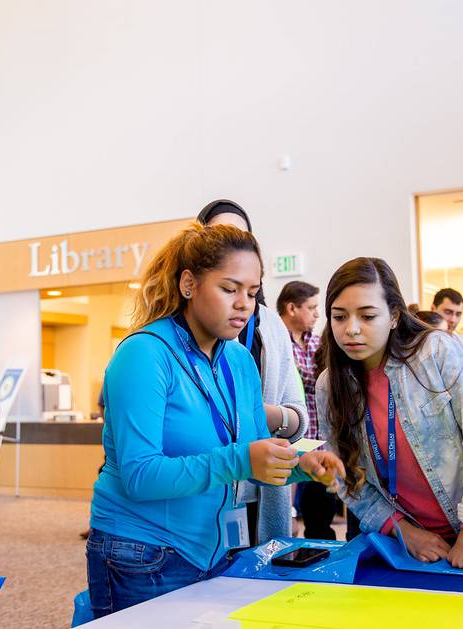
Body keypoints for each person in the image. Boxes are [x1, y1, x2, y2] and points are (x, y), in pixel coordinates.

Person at [87, 223, 343, 617]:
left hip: (212, 549)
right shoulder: (143, 354)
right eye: (229, 289)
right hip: (140, 551)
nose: (244, 304)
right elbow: (140, 476)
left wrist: (301, 465)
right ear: (189, 284)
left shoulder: (239, 360)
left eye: (252, 293)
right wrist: (242, 459)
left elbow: (252, 458)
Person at [317, 257, 463, 568]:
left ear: (393, 316)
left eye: (368, 316)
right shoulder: (330, 386)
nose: (352, 329)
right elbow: (346, 476)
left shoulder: (435, 352)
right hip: (413, 546)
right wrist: (403, 530)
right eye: (339, 317)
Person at [197, 200, 308, 544]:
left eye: (241, 236)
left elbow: (297, 417)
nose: (233, 245)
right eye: (219, 235)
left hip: (263, 488)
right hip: (205, 488)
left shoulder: (271, 325)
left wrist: (262, 416)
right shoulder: (175, 334)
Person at [277, 281, 336, 540]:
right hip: (287, 433)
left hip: (316, 433)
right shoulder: (275, 342)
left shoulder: (314, 341)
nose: (316, 314)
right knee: (285, 490)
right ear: (292, 308)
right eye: (311, 308)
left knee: (319, 507)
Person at [431, 288, 463, 363]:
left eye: (458, 314)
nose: (453, 320)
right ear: (433, 309)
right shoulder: (420, 342)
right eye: (448, 312)